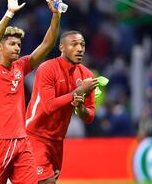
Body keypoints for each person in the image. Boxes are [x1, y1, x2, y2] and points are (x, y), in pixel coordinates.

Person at [0, 0, 62, 184]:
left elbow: (47, 45)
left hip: (22, 141)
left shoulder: (20, 67)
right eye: (12, 44)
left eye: (19, 44)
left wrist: (56, 16)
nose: (17, 47)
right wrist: (9, 14)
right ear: (1, 47)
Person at [25, 30, 99, 183]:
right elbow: (49, 106)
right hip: (35, 136)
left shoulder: (87, 76)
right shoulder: (47, 69)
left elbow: (89, 116)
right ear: (61, 47)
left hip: (58, 141)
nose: (80, 48)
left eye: (82, 45)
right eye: (74, 44)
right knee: (47, 181)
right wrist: (77, 92)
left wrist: (80, 108)